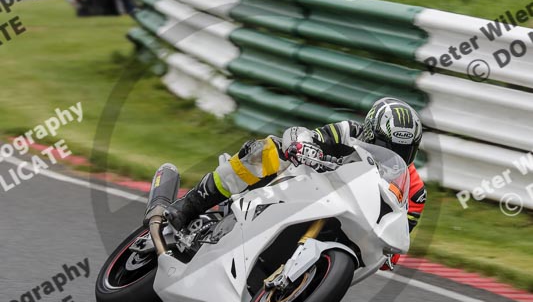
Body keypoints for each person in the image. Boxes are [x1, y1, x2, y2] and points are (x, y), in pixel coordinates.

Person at [165, 97, 427, 270]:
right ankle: (190, 205)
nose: (394, 153)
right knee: (268, 151)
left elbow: (399, 232)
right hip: (306, 188)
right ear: (370, 132)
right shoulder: (350, 132)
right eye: (385, 145)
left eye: (404, 151)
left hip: (351, 226)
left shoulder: (415, 191)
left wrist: (388, 252)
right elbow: (312, 137)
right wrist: (304, 146)